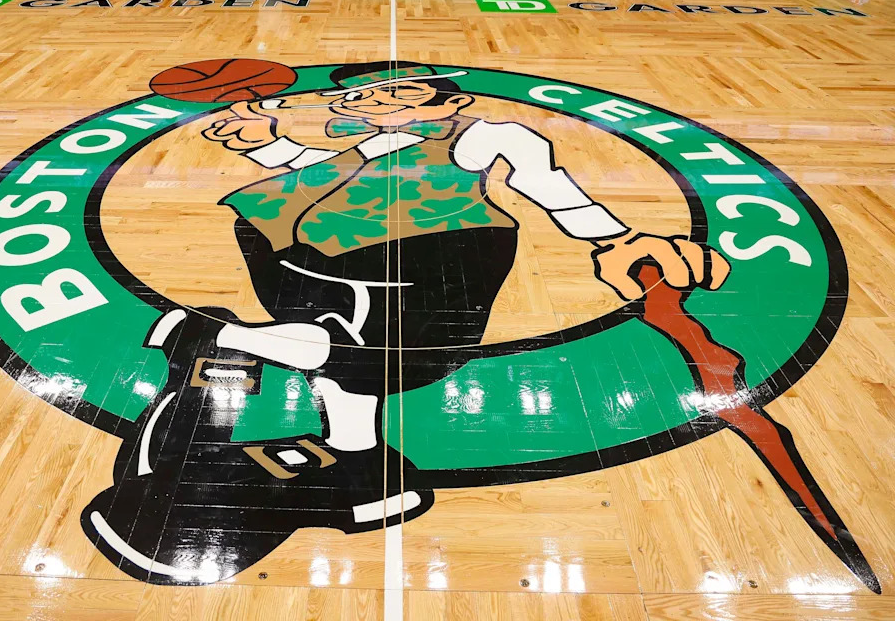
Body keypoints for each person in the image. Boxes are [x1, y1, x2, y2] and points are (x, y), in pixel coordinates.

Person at [81, 61, 730, 584]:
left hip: (427, 267)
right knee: (344, 357)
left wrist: (617, 238)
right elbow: (319, 174)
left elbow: (545, 177)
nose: (375, 101)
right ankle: (352, 455)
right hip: (315, 263)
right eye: (363, 96)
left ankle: (213, 336)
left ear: (449, 102)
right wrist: (269, 143)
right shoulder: (367, 148)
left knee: (365, 349)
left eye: (401, 91)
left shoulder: (480, 137)